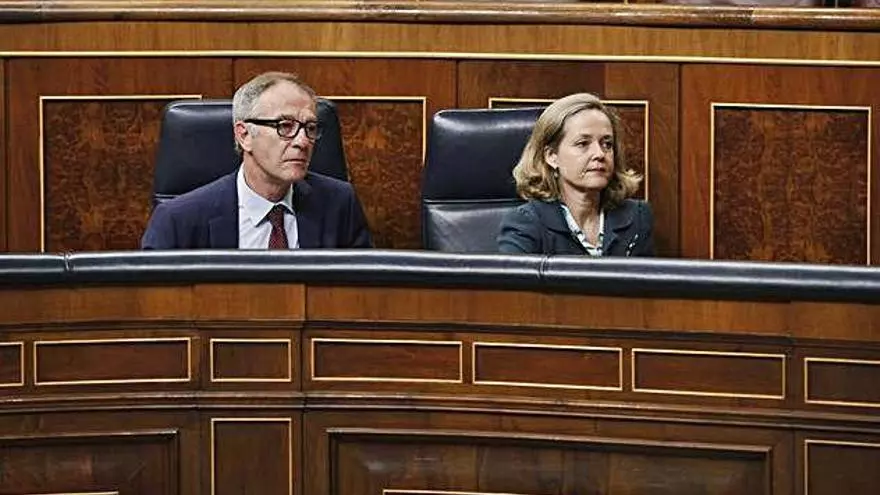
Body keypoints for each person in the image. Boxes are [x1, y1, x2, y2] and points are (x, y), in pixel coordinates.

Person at [142, 71, 372, 249]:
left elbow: (362, 291)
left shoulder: (339, 205)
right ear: (244, 136)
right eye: (285, 126)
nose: (303, 141)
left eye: (310, 128)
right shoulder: (178, 221)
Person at [497, 93, 654, 256]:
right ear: (552, 156)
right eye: (583, 143)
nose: (600, 154)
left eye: (607, 144)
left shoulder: (637, 217)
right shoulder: (526, 224)